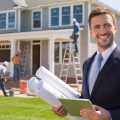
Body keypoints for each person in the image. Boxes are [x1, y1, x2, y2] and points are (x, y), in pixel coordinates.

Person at [52, 6, 120, 120]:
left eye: (107, 25)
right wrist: (66, 108)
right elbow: (87, 99)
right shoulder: (87, 64)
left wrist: (110, 116)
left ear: (115, 28)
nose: (102, 31)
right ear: (91, 32)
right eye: (97, 27)